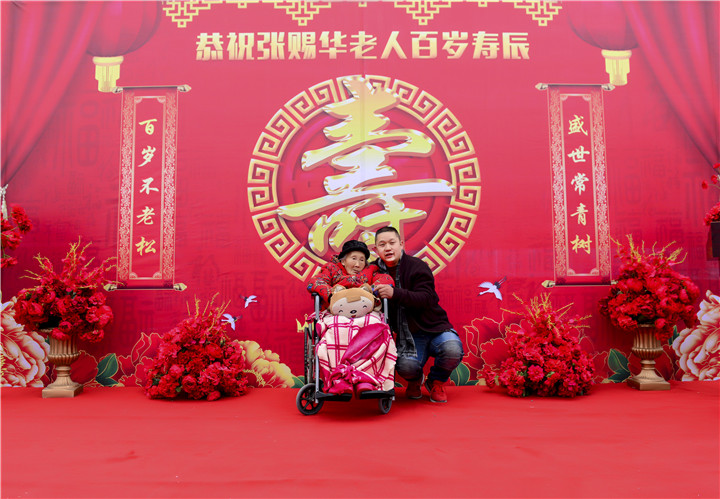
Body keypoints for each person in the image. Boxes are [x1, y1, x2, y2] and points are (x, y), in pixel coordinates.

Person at [372, 226, 464, 403]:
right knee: (405, 367)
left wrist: (395, 293)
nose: (388, 248)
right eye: (382, 245)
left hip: (435, 328)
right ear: (376, 249)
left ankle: (436, 382)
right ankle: (415, 380)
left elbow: (427, 298)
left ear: (401, 244)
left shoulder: (417, 266)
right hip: (409, 335)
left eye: (392, 243)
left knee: (452, 349)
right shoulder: (373, 271)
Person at [307, 239, 394, 308]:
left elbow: (386, 279)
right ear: (343, 261)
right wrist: (332, 294)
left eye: (362, 260)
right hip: (336, 311)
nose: (357, 265)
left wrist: (370, 291)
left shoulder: (370, 270)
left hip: (364, 310)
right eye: (353, 258)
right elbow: (315, 282)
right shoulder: (331, 268)